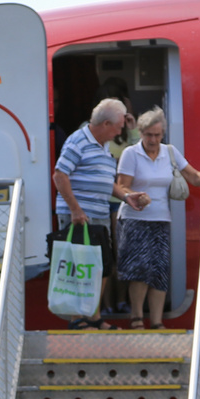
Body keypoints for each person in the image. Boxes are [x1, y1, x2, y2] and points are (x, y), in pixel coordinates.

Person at [114, 108, 200, 330]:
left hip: (161, 219)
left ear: (163, 134)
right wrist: (136, 196)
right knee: (140, 269)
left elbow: (192, 176)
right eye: (149, 135)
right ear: (141, 133)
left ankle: (156, 321)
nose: (153, 140)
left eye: (157, 135)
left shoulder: (170, 152)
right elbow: (121, 185)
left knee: (160, 270)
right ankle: (136, 317)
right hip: (135, 218)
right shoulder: (131, 154)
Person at [52, 98, 146, 330]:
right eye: (119, 126)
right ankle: (77, 319)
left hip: (99, 214)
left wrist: (125, 196)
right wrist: (76, 209)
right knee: (79, 266)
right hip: (80, 216)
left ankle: (93, 316)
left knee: (101, 265)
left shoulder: (102, 144)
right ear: (106, 124)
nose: (120, 131)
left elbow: (105, 181)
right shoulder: (78, 141)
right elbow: (59, 175)